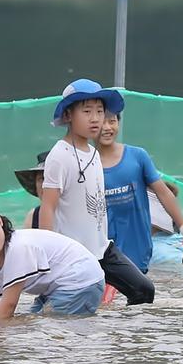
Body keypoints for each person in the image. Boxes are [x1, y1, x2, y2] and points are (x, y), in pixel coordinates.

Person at [39, 78, 155, 306]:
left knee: (143, 290)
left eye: (100, 111)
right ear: (69, 115)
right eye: (87, 111)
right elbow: (48, 206)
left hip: (102, 248)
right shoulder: (59, 156)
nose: (95, 118)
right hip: (73, 254)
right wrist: (47, 255)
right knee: (66, 309)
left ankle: (124, 339)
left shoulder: (93, 153)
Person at [0, 199, 106, 321]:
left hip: (83, 280)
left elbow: (8, 305)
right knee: (31, 321)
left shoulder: (18, 247)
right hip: (56, 287)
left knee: (46, 326)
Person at [96, 108, 183, 273]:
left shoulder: (137, 156)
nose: (107, 128)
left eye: (112, 121)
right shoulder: (85, 162)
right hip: (103, 248)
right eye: (102, 122)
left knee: (140, 292)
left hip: (139, 246)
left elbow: (164, 192)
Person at [14, 151, 49, 229]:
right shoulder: (33, 216)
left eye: (50, 178)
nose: (44, 185)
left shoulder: (76, 212)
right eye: (41, 179)